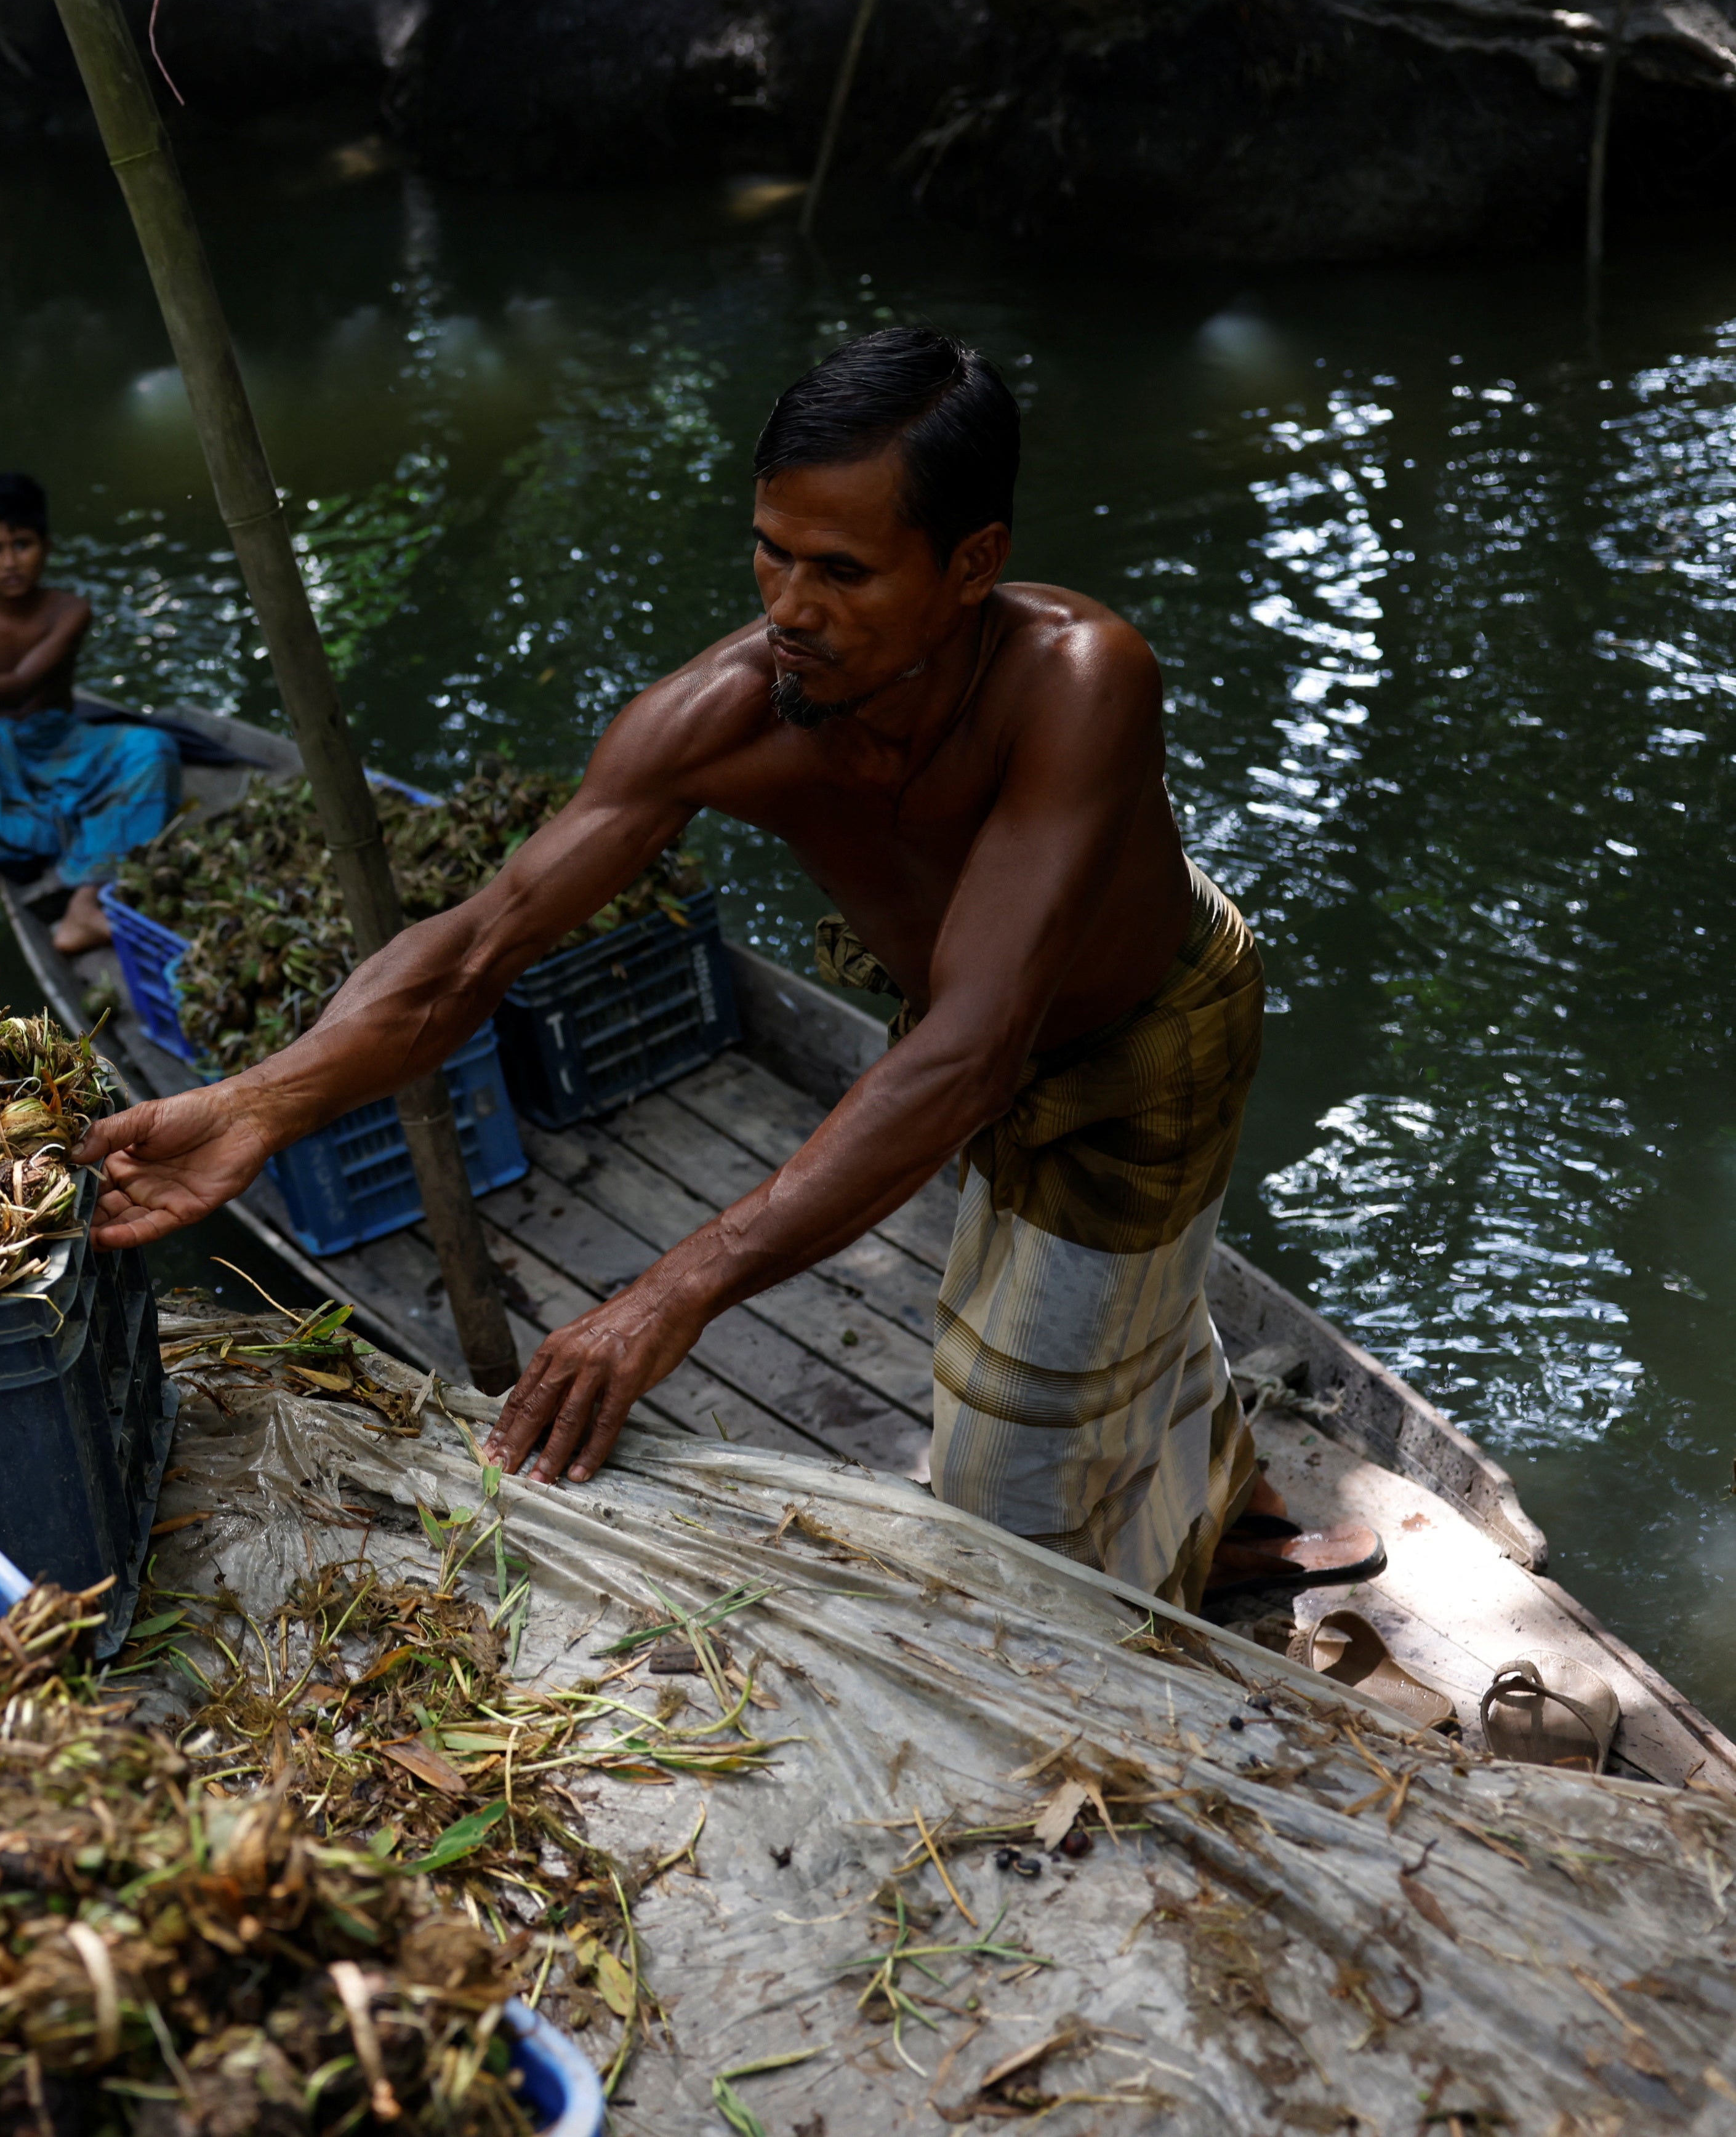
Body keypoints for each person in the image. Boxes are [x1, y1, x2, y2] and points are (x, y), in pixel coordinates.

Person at [79, 328, 1376, 1614]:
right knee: (1124, 1310)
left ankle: (1153, 1612)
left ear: (972, 563)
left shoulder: (1078, 681)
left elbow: (973, 1049)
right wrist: (259, 1101)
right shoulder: (722, 717)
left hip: (1142, 1033)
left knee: (1005, 1481)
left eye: (844, 571)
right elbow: (473, 947)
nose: (788, 608)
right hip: (964, 1031)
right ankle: (1239, 1506)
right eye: (770, 551)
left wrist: (670, 1291)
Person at [0, 472, 179, 953]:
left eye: (22, 545)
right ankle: (81, 833)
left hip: (63, 742)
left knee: (156, 750)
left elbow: (21, 684)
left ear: (47, 546)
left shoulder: (70, 610)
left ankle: (84, 901)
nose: (9, 562)